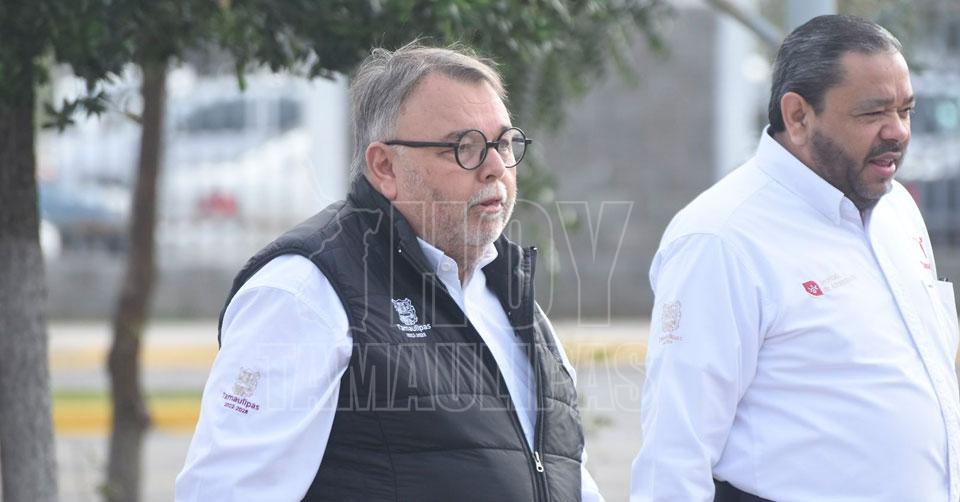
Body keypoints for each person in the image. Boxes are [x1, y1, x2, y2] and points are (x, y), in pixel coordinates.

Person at [176, 42, 603, 501]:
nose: (496, 168)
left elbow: (560, 475)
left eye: (502, 143)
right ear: (385, 167)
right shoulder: (305, 294)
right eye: (465, 147)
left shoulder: (510, 296)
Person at [631, 15, 960, 502]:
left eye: (906, 110)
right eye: (873, 113)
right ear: (799, 116)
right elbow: (674, 457)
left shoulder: (896, 209)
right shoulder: (720, 238)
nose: (897, 131)